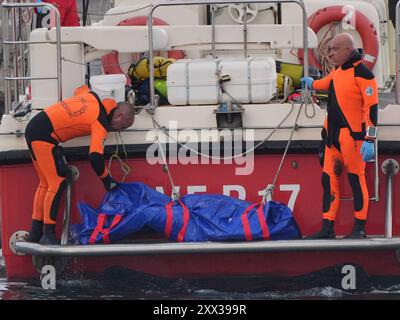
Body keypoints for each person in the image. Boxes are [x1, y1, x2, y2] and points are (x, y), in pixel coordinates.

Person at [25, 85, 134, 245]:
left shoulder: (91, 96)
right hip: (44, 136)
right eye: (123, 127)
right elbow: (95, 157)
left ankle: (35, 233)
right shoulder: (100, 123)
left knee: (45, 184)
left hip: (35, 128)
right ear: (117, 116)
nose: (120, 132)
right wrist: (107, 180)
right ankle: (48, 235)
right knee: (57, 182)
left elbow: (79, 89)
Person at [301, 33, 378, 239]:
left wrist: (370, 140)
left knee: (356, 180)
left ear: (347, 50)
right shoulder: (338, 72)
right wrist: (310, 83)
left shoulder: (363, 74)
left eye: (334, 49)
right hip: (332, 138)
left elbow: (372, 109)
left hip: (353, 139)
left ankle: (359, 227)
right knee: (328, 181)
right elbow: (325, 83)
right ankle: (327, 228)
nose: (330, 53)